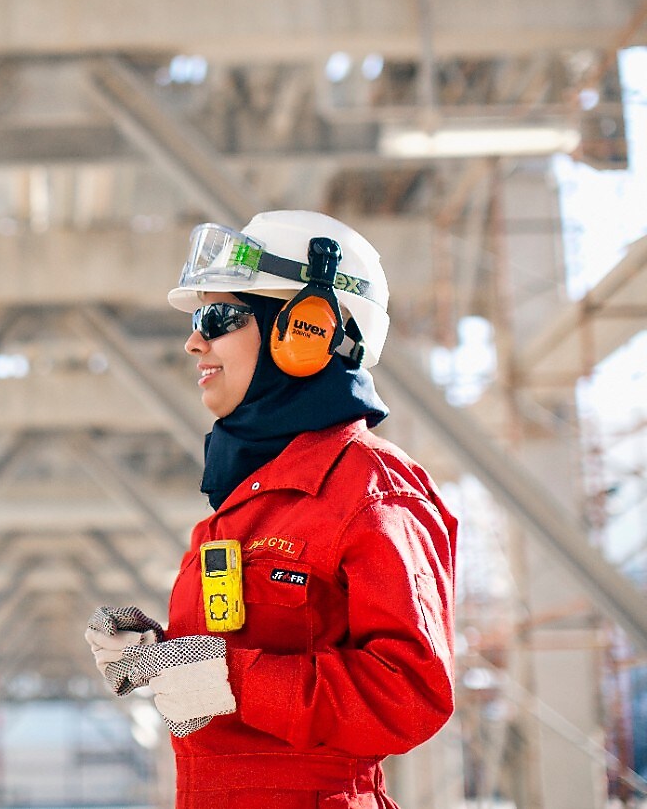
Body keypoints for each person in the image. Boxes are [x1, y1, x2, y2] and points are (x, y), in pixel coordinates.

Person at [85, 211, 457, 808]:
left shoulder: (370, 489)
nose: (193, 341)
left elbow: (410, 695)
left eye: (220, 317)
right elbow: (241, 658)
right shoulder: (244, 506)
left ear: (306, 330)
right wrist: (158, 656)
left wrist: (229, 677)